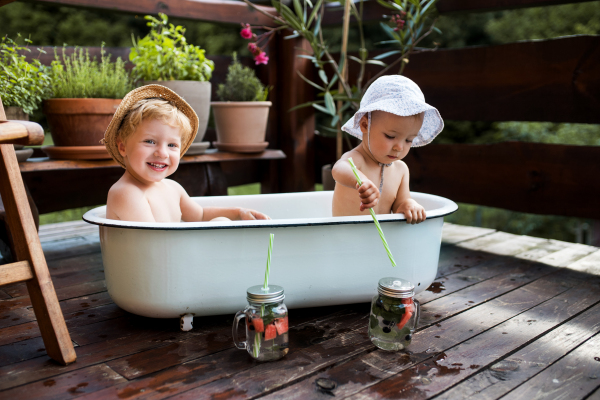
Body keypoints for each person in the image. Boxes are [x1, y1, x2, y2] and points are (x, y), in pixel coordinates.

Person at [102, 85, 269, 222]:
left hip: (168, 259)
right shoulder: (126, 192)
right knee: (219, 226)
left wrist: (239, 213)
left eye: (172, 145)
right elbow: (154, 242)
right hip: (147, 262)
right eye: (150, 141)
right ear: (122, 147)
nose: (162, 153)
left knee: (220, 222)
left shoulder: (173, 188)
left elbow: (201, 216)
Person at [332, 75, 444, 224]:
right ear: (365, 125)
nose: (400, 147)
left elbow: (400, 204)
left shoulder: (401, 170)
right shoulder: (357, 159)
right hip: (344, 239)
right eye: (390, 136)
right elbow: (338, 169)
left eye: (409, 140)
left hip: (381, 241)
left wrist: (408, 205)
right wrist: (360, 181)